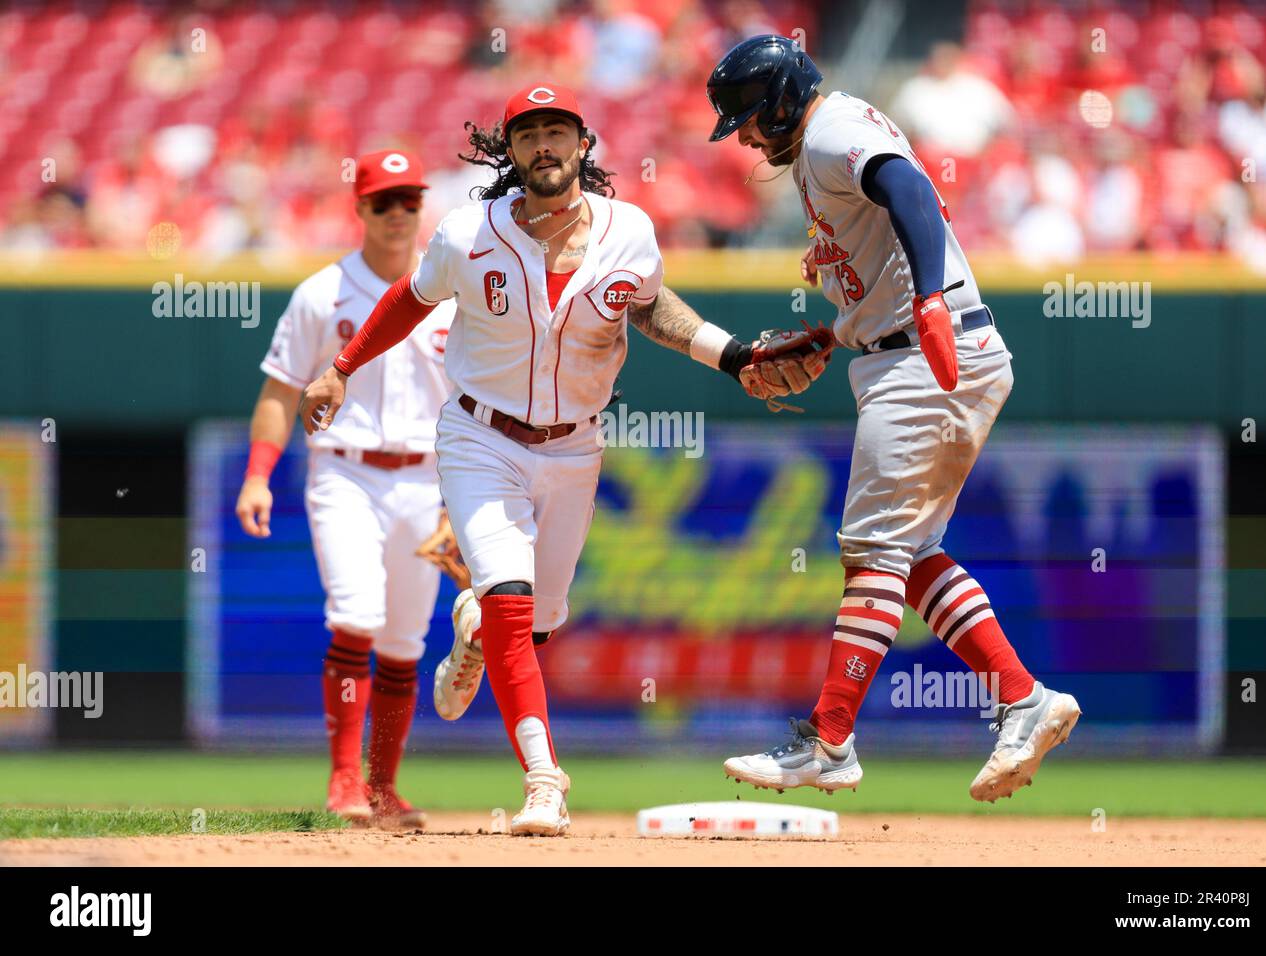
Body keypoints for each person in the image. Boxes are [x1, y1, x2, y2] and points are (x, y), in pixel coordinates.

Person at [297, 84, 828, 835]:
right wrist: (342, 368)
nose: (544, 145)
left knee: (540, 619)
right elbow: (412, 300)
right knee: (516, 609)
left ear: (583, 144)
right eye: (528, 134)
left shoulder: (630, 231)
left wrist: (733, 355)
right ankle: (544, 780)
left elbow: (649, 307)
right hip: (480, 438)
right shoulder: (466, 232)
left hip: (575, 445)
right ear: (507, 151)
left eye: (558, 130)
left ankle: (474, 627)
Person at [705, 36, 1081, 802]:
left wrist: (931, 299)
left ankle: (830, 740)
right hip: (904, 349)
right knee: (908, 555)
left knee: (873, 550)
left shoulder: (832, 131)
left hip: (925, 351)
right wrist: (833, 330)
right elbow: (881, 233)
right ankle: (1023, 697)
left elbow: (906, 187)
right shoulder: (824, 138)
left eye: (746, 118)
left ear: (780, 99)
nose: (742, 136)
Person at [235, 150, 479, 827]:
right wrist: (257, 473)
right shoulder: (323, 292)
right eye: (384, 202)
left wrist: (459, 501)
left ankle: (382, 787)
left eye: (410, 200)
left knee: (403, 642)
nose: (399, 213)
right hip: (344, 471)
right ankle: (344, 778)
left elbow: (474, 403)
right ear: (360, 209)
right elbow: (280, 390)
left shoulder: (452, 293)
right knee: (356, 613)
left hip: (427, 480)